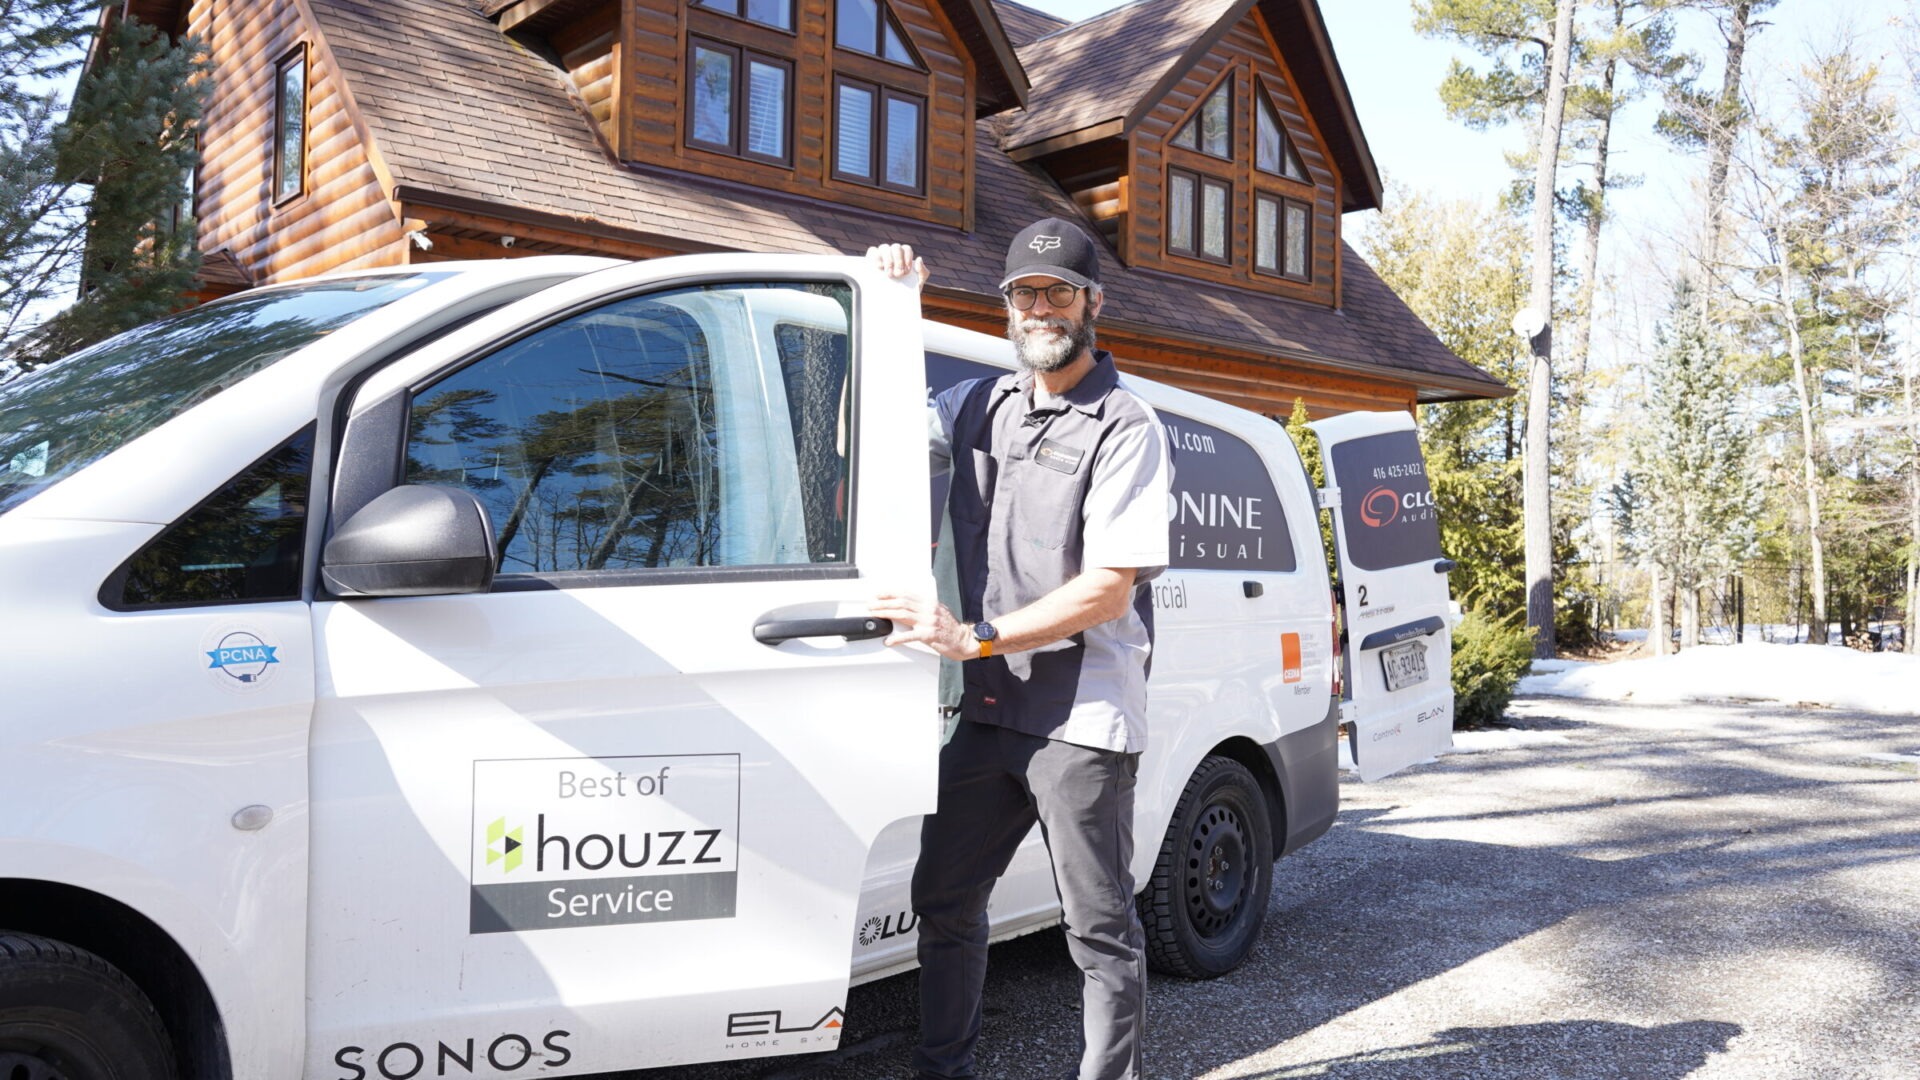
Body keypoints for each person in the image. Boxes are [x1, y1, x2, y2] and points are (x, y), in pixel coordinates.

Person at [867, 217, 1172, 1080]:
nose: (1042, 307)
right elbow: (874, 429)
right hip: (990, 711)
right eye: (1025, 293)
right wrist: (892, 299)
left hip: (1081, 722)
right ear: (1007, 306)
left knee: (1099, 932)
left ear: (1091, 304)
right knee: (946, 903)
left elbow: (1111, 586)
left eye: (1059, 292)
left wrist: (974, 638)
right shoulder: (977, 407)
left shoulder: (1127, 424)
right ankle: (944, 1071)